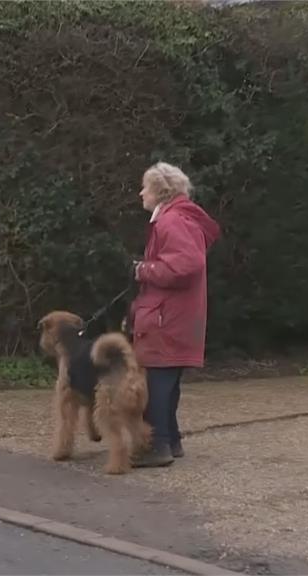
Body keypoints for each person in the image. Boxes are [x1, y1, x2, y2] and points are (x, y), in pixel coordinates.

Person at [127, 162, 220, 467]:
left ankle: (157, 446)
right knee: (166, 382)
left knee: (156, 383)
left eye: (145, 187)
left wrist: (144, 269)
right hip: (174, 315)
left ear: (160, 191)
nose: (141, 192)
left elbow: (186, 264)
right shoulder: (178, 219)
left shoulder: (171, 221)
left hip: (165, 317)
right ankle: (172, 441)